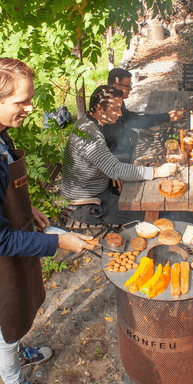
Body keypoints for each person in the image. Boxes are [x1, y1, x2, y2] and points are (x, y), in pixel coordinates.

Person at [0, 57, 97, 384]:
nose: (28, 108)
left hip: (10, 254)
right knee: (4, 325)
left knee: (15, 314)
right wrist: (59, 242)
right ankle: (13, 377)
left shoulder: (2, 135)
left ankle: (15, 351)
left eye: (30, 99)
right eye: (20, 102)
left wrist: (27, 212)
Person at [60, 85, 177, 225]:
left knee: (149, 198)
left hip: (98, 189)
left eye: (120, 108)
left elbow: (107, 164)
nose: (120, 113)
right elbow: (116, 170)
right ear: (99, 108)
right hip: (85, 204)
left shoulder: (87, 122)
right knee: (150, 212)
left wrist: (110, 170)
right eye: (115, 109)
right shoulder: (89, 135)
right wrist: (156, 171)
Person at [102, 68, 185, 156]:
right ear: (115, 86)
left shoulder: (114, 99)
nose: (130, 89)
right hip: (114, 155)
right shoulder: (109, 105)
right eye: (127, 86)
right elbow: (134, 121)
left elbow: (130, 119)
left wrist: (167, 116)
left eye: (130, 85)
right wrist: (167, 117)